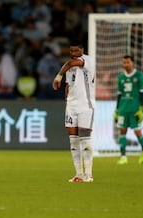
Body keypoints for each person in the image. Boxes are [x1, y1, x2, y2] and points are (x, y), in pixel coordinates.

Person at [52, 39, 95, 183]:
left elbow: (70, 63)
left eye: (76, 50)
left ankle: (89, 174)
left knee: (85, 142)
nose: (73, 53)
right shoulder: (69, 67)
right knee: (73, 142)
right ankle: (79, 174)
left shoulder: (86, 61)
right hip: (71, 106)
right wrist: (67, 103)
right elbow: (68, 86)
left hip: (85, 106)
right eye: (71, 51)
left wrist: (58, 76)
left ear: (82, 50)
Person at [114, 55, 143, 165]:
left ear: (132, 63)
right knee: (122, 132)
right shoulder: (121, 77)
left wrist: (142, 109)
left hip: (135, 109)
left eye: (128, 62)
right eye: (124, 62)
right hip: (123, 109)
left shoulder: (140, 76)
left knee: (137, 132)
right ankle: (123, 157)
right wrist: (117, 110)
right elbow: (119, 95)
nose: (126, 64)